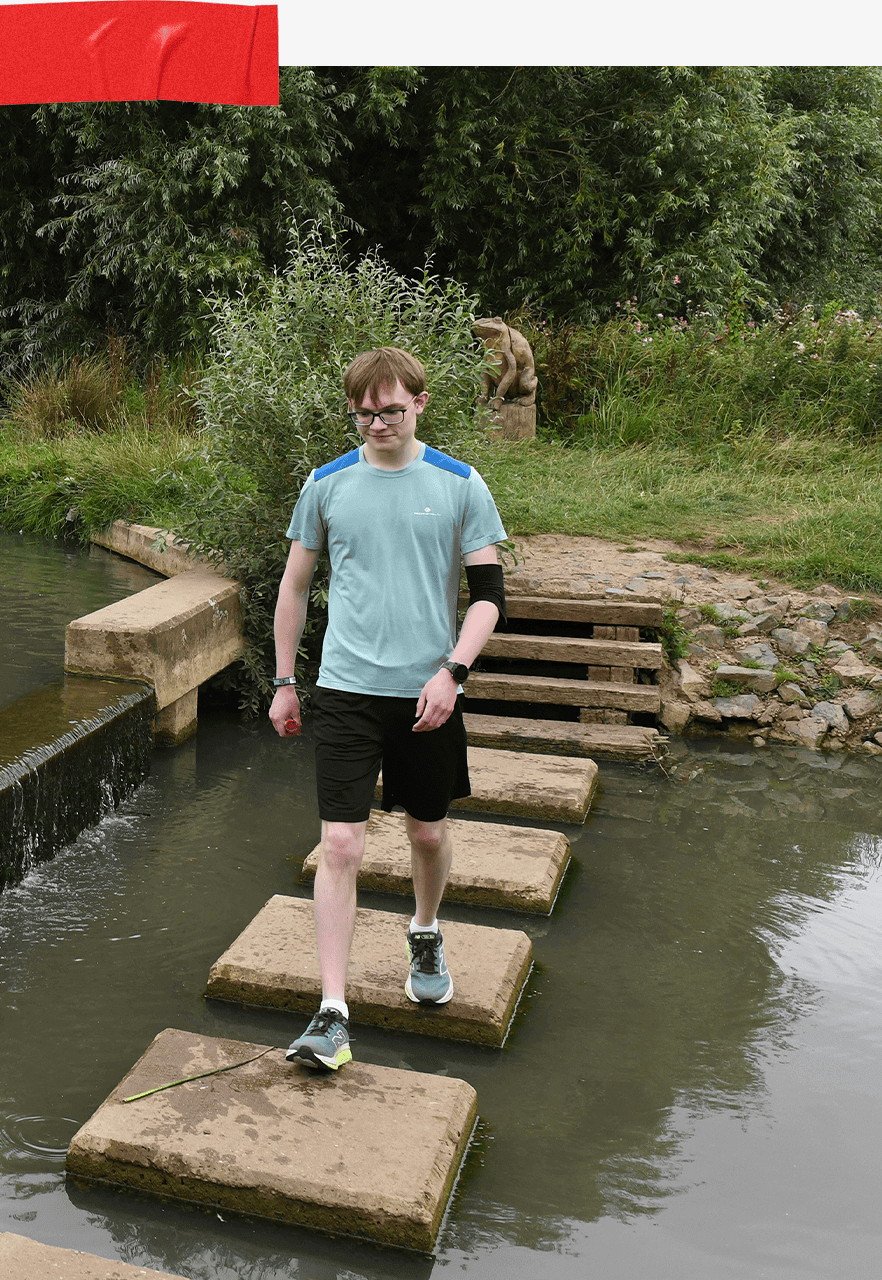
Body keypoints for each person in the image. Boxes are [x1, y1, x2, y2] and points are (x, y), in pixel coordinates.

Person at [269, 346, 509, 1072]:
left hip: (428, 693)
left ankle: (425, 929)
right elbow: (293, 588)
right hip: (344, 689)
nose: (378, 423)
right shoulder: (326, 484)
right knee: (340, 845)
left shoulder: (462, 485)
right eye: (365, 412)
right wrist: (285, 680)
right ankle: (333, 1011)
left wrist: (453, 672)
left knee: (428, 835)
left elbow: (491, 597)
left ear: (420, 404)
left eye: (392, 410)